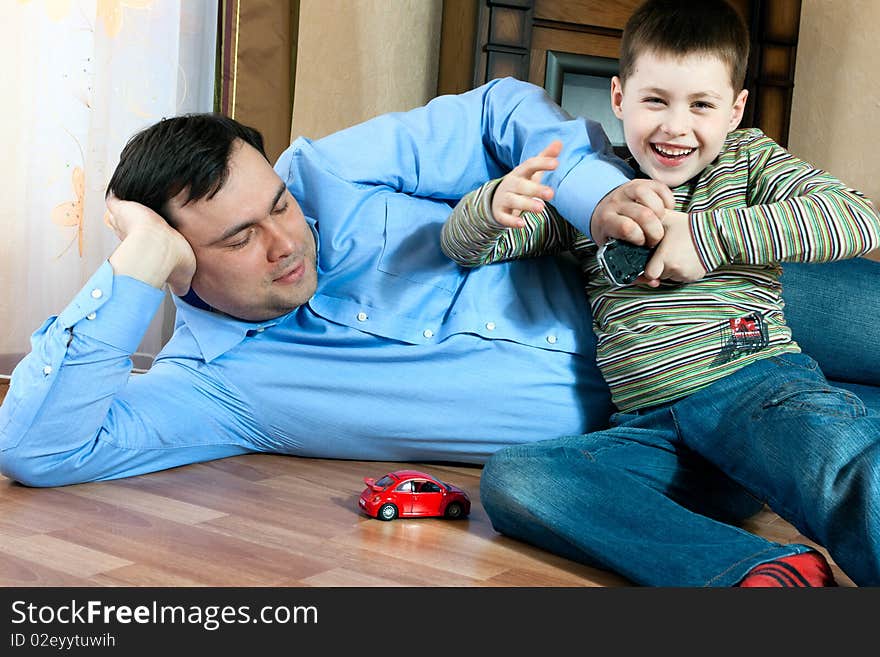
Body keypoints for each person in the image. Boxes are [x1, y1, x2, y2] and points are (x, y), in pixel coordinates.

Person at [0, 77, 646, 487]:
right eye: (240, 236)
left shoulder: (330, 172)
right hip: (656, 438)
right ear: (179, 262)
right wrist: (138, 258)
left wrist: (592, 193)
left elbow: (495, 110)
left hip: (687, 300)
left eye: (278, 205)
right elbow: (40, 449)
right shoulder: (212, 387)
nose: (286, 243)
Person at [441, 0, 880, 587]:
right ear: (619, 97)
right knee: (517, 479)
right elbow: (468, 248)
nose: (676, 126)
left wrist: (707, 235)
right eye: (656, 101)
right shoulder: (596, 191)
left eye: (701, 105)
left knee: (840, 465)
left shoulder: (749, 164)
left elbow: (856, 219)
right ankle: (756, 571)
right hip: (651, 435)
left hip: (757, 391)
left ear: (734, 110)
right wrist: (492, 206)